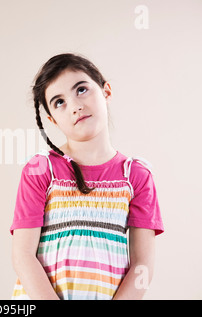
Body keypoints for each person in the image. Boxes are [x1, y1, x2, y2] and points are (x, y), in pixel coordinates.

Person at [10, 53, 164, 300]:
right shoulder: (41, 169)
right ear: (52, 120)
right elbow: (23, 256)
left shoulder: (136, 175)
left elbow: (142, 265)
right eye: (59, 102)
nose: (74, 106)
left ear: (106, 92)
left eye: (81, 90)